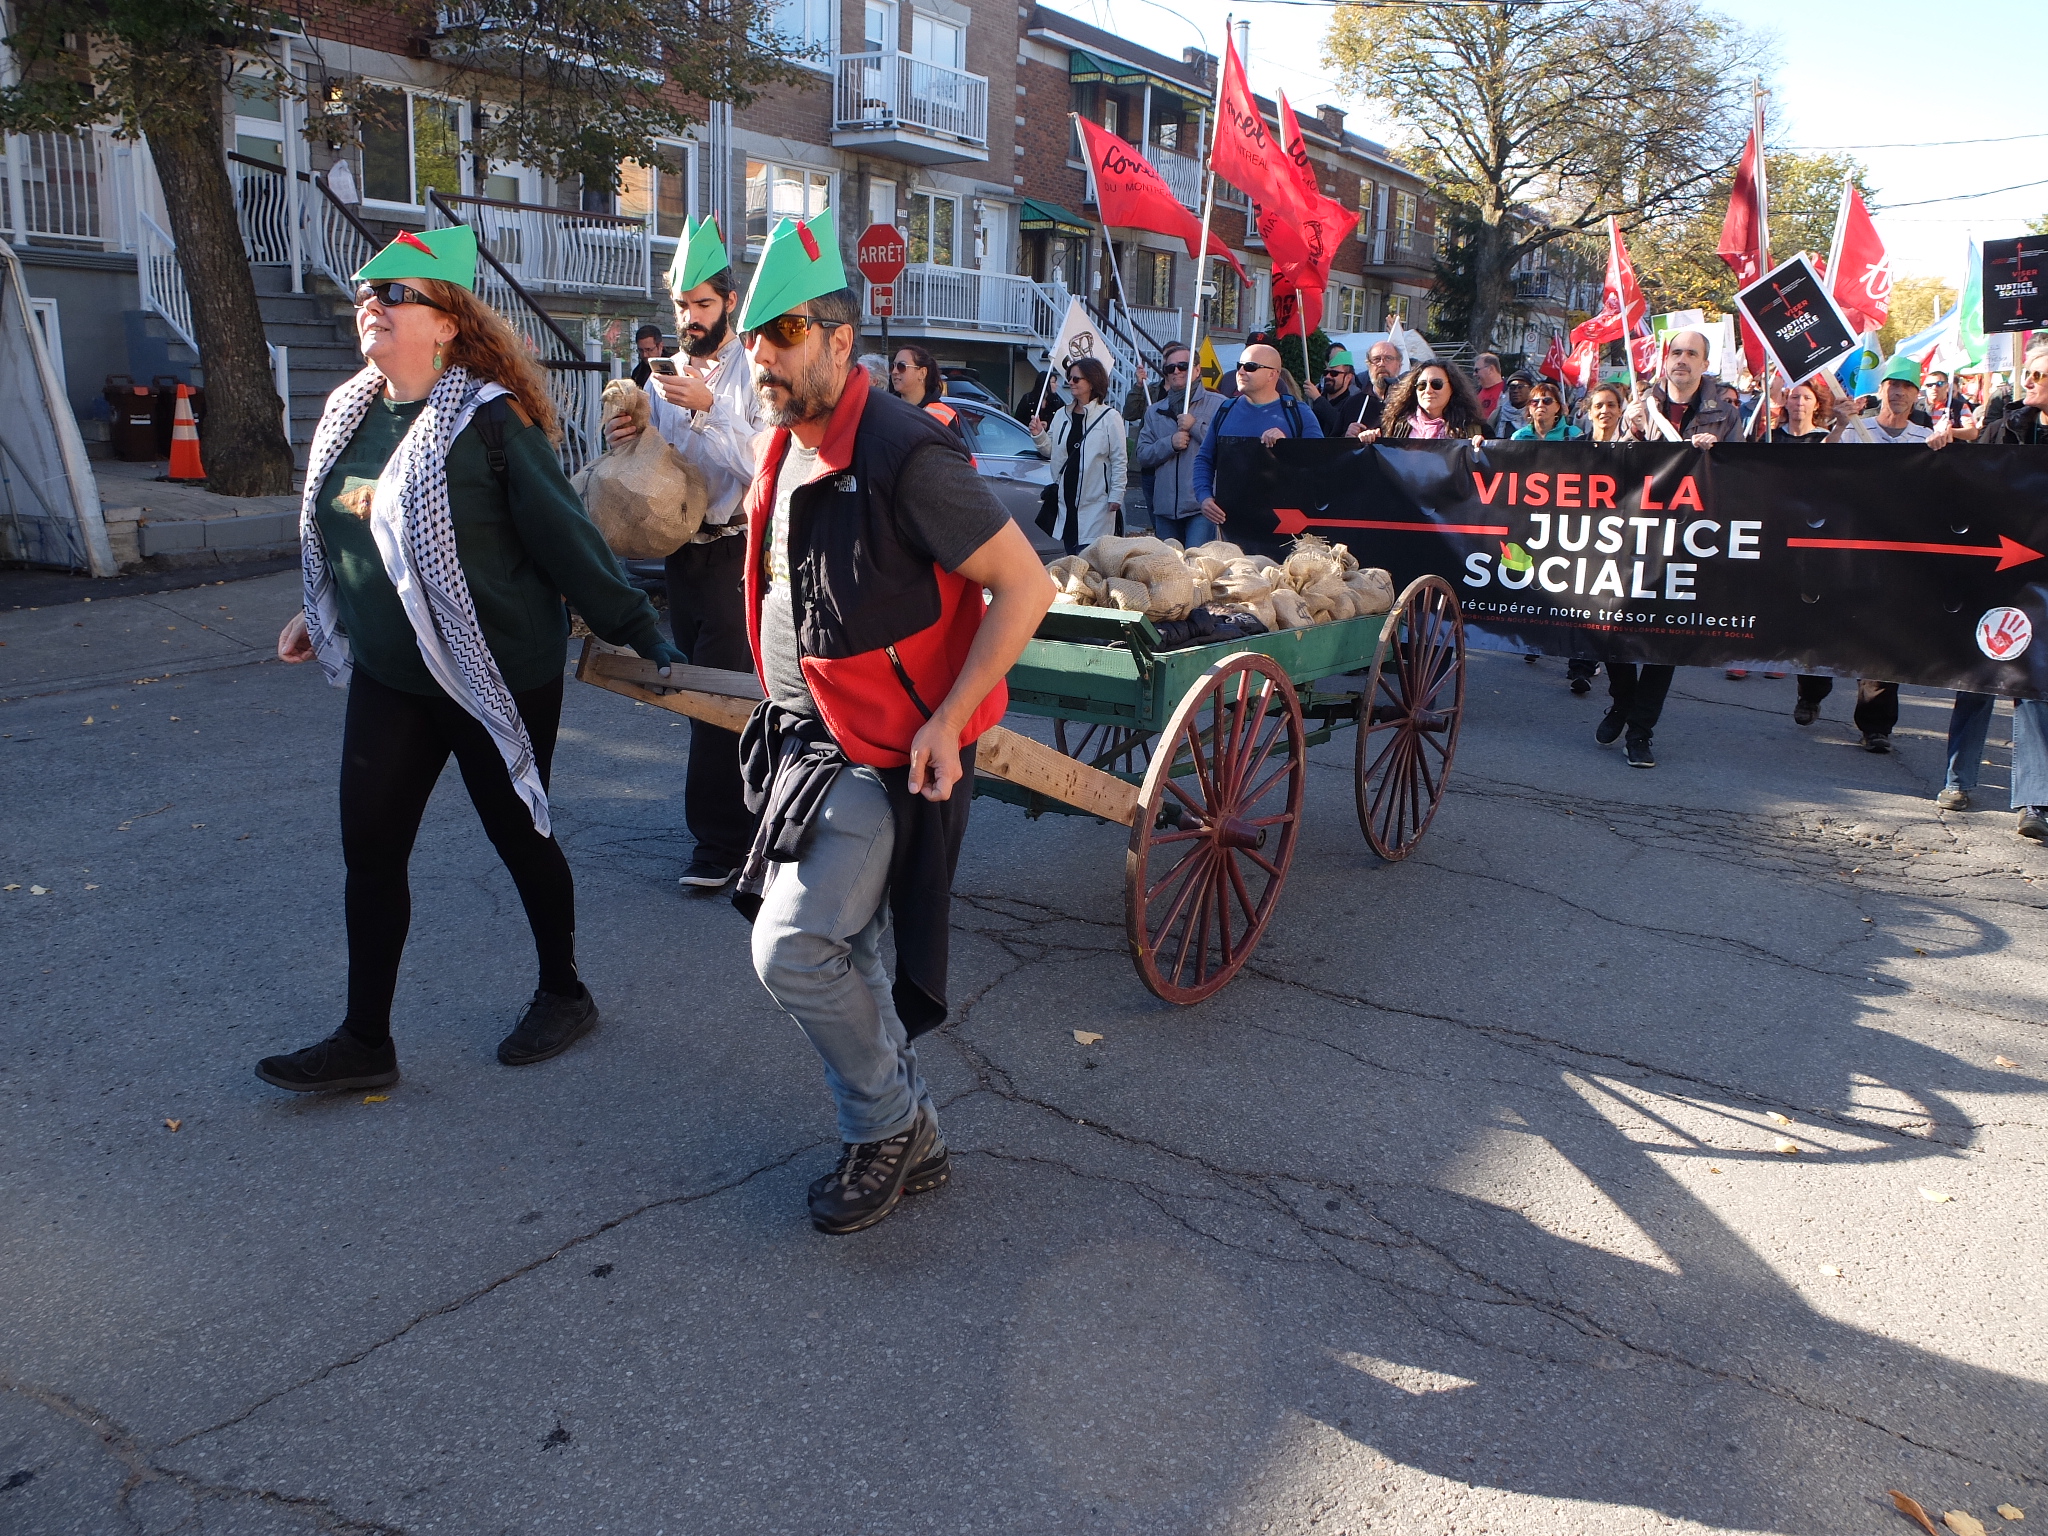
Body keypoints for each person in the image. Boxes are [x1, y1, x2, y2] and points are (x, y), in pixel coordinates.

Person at [257, 226, 682, 1093]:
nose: (370, 305)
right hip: (393, 671)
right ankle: (364, 1039)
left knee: (518, 835)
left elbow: (570, 544)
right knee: (370, 850)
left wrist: (648, 634)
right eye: (364, 292)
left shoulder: (490, 423)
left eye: (395, 294)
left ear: (446, 322)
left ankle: (564, 991)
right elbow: (358, 529)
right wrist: (321, 605)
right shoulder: (349, 413)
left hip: (496, 671)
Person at [731, 210, 1054, 1233]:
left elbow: (1025, 586)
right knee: (852, 947)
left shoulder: (908, 453)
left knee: (794, 948)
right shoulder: (783, 442)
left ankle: (888, 1128)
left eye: (781, 337)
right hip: (805, 739)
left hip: (882, 752)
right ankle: (900, 1129)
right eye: (752, 340)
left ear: (838, 341)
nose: (760, 358)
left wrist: (948, 720)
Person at [605, 214, 766, 891]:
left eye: (702, 303)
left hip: (736, 551)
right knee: (700, 695)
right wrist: (630, 435)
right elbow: (660, 464)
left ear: (729, 301)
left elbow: (764, 461)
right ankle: (744, 829)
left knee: (718, 697)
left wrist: (705, 408)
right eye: (681, 304)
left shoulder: (754, 369)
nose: (690, 316)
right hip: (684, 555)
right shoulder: (661, 369)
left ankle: (721, 844)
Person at [1793, 354, 1955, 748]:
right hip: (1847, 543)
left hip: (1896, 551)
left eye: (1907, 387)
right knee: (1827, 619)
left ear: (1917, 395)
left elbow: (1941, 487)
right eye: (1892, 385)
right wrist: (1842, 424)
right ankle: (1811, 692)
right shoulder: (1856, 428)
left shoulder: (1924, 438)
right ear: (1880, 389)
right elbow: (1824, 463)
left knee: (1885, 632)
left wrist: (1945, 447)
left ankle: (1876, 725)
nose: (1898, 392)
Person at [1598, 331, 1739, 767]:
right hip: (1634, 530)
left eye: (1691, 354)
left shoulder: (1726, 415)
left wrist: (1713, 457)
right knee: (1613, 618)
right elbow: (1613, 465)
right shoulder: (1641, 404)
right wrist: (1632, 427)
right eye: (1675, 352)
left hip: (1688, 537)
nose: (1681, 360)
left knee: (1667, 636)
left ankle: (1641, 729)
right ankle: (1622, 699)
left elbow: (1740, 473)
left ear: (1704, 364)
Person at [1940, 339, 2048, 839]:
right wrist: (1945, 445)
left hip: (2044, 579)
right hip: (2001, 570)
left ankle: (2035, 801)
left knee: (2037, 684)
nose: (2030, 383)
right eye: (2028, 374)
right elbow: (1973, 475)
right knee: (1982, 669)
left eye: (2040, 376)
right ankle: (1958, 781)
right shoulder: (2006, 427)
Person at [1192, 341, 1324, 533]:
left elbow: (1321, 462)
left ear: (1273, 374)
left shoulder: (1298, 413)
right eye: (1239, 366)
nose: (1241, 372)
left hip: (1285, 530)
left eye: (1251, 367)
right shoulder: (1226, 410)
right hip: (1233, 528)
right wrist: (1204, 497)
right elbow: (1204, 459)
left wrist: (1289, 446)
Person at [1030, 355, 1126, 552]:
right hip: (1066, 499)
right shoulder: (1061, 415)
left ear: (1092, 382)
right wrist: (1038, 434)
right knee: (1071, 554)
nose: (1070, 383)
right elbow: (1051, 451)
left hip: (1096, 502)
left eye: (1076, 379)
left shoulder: (1110, 418)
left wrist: (1116, 494)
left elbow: (1119, 459)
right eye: (1069, 378)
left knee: (1091, 557)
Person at [1138, 341, 1225, 547]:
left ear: (1197, 369)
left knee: (1196, 568)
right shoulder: (1154, 411)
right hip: (1165, 508)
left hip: (1200, 506)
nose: (1176, 371)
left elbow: (1226, 449)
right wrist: (1170, 443)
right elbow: (1142, 454)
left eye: (1182, 366)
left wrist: (1195, 427)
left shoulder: (1219, 404)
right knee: (1168, 571)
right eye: (1170, 368)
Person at [1361, 358, 1487, 443]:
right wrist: (1370, 439)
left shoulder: (1473, 427)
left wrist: (1482, 448)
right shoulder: (1396, 424)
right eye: (1421, 385)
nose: (1428, 390)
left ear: (1452, 387)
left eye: (1436, 384)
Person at [889, 342, 967, 450]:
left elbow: (955, 459)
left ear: (922, 373)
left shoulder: (945, 415)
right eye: (892, 366)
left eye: (901, 366)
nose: (894, 371)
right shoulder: (886, 408)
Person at [1312, 347, 1369, 439]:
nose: (1328, 376)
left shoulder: (1353, 404)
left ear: (1348, 378)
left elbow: (1339, 425)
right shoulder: (1314, 400)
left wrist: (1318, 399)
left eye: (1334, 373)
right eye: (1326, 372)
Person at [1510, 379, 1580, 441]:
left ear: (1557, 407)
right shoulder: (1518, 437)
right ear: (1529, 408)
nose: (1540, 405)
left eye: (1547, 401)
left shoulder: (1574, 434)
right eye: (1535, 402)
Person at [1491, 370, 1534, 436]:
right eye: (1512, 387)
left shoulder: (1535, 413)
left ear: (1530, 389)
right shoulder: (1499, 413)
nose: (1515, 391)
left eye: (1520, 387)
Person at [629, 323, 669, 388]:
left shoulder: (674, 367)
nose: (645, 355)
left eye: (649, 350)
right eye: (641, 350)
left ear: (660, 346)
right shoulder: (637, 373)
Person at [1473, 351, 1505, 423]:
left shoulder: (1509, 392)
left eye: (1476, 370)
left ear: (1490, 369)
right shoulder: (1475, 394)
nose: (1474, 374)